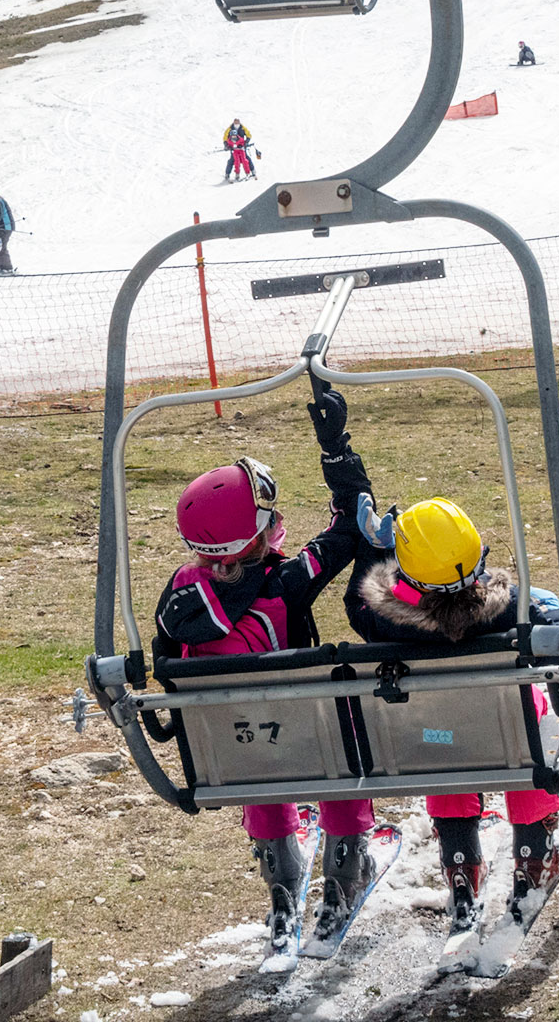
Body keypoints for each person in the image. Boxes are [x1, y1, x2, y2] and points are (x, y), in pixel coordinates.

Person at [151, 387, 375, 957]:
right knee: (334, 733)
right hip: (316, 742)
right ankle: (345, 868)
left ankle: (281, 879)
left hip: (240, 756)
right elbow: (351, 526)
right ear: (258, 532)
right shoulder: (287, 582)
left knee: (247, 739)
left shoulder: (176, 603)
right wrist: (335, 449)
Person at [342, 496, 559, 933]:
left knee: (437, 732)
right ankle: (535, 857)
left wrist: (374, 548)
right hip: (505, 738)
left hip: (438, 744)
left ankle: (461, 870)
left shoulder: (383, 622)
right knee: (530, 720)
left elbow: (358, 602)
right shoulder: (516, 608)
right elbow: (557, 631)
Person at [222, 119, 259, 183]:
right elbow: (225, 137)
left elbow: (248, 135)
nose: (236, 124)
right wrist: (226, 145)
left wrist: (246, 142)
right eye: (235, 123)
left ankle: (252, 171)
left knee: (246, 159)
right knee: (232, 160)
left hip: (241, 147)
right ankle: (227, 174)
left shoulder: (242, 128)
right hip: (233, 147)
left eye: (237, 123)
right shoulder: (230, 128)